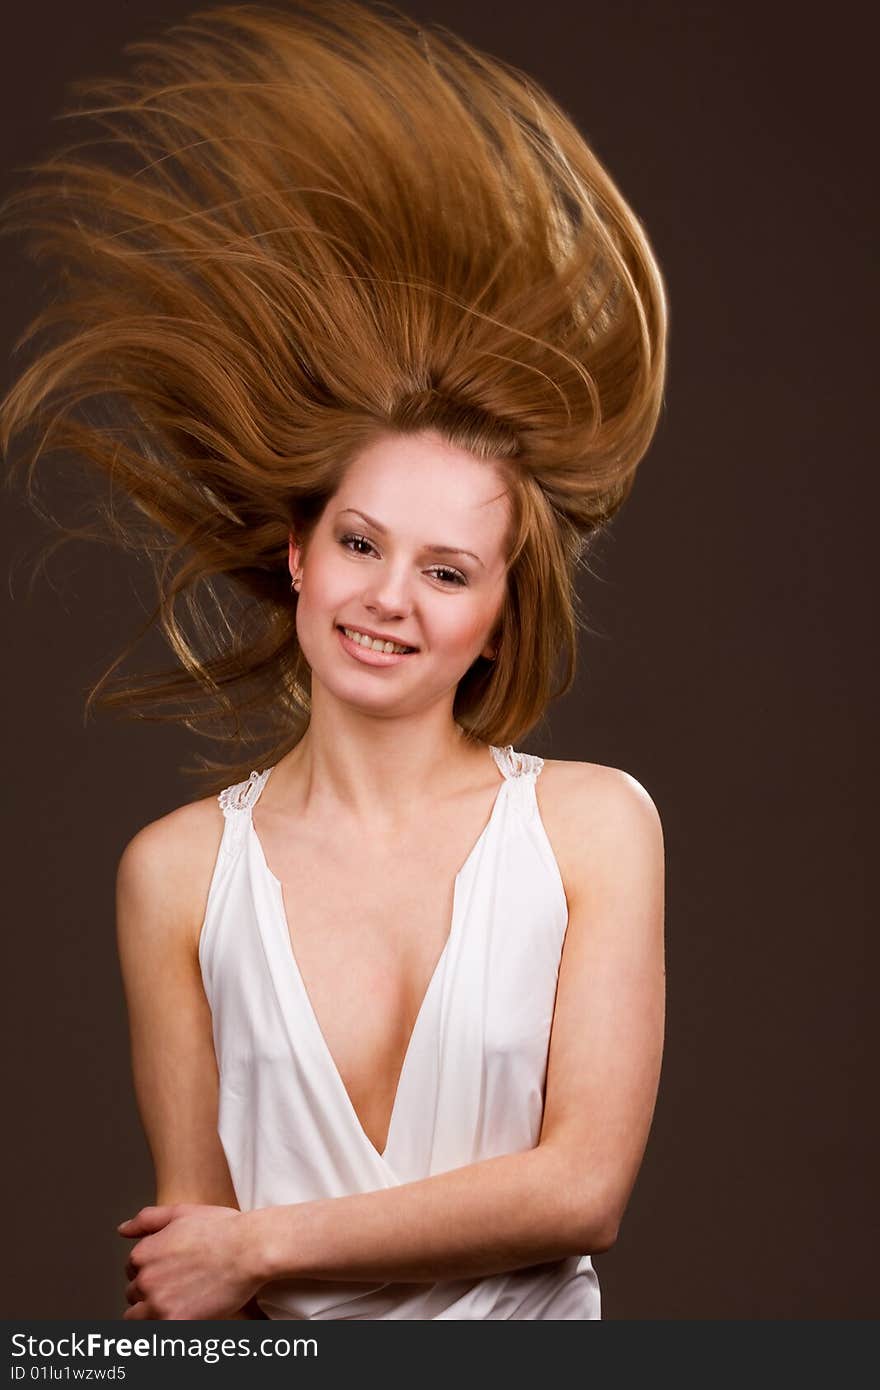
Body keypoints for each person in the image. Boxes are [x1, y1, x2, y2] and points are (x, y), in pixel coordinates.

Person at [0, 0, 668, 1320]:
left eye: (447, 570)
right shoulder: (177, 873)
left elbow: (584, 1187)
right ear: (298, 554)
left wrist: (257, 1248)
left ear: (496, 610)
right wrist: (213, 1274)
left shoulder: (596, 829)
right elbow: (191, 1269)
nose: (390, 600)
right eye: (361, 542)